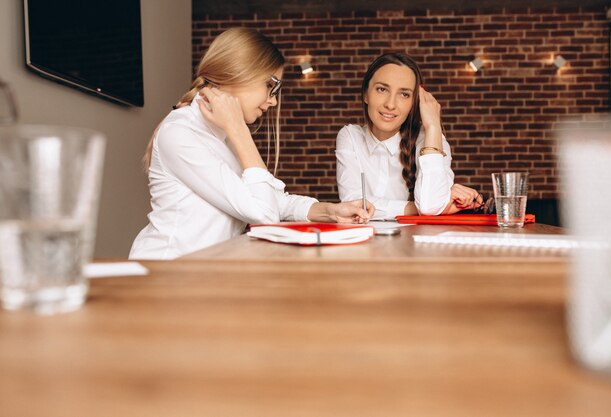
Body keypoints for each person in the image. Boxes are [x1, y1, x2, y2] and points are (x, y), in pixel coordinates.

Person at [130, 28, 373, 260]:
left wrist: (330, 211)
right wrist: (238, 129)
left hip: (205, 273)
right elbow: (264, 215)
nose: (273, 101)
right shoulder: (181, 132)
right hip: (166, 275)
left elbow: (267, 200)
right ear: (237, 72)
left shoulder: (223, 132)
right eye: (270, 86)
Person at [335, 52, 482, 220]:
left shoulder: (431, 139)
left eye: (404, 94)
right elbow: (352, 205)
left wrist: (433, 126)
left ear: (414, 102)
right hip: (362, 242)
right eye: (382, 89)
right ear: (366, 94)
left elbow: (429, 206)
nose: (390, 104)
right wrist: (418, 208)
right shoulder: (350, 136)